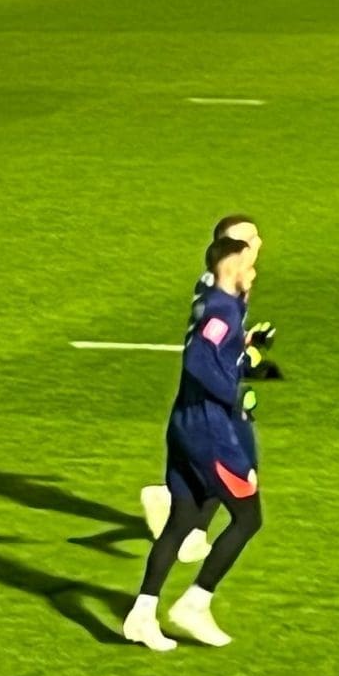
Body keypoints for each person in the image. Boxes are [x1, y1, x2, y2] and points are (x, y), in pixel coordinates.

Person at [123, 237, 264, 651]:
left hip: (186, 425)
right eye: (248, 265)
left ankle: (141, 615)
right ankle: (195, 603)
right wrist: (232, 395)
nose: (254, 272)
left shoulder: (215, 300)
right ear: (231, 267)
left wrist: (244, 351)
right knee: (247, 518)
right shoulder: (222, 311)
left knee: (182, 519)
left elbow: (215, 349)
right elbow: (199, 361)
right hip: (209, 432)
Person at [140, 214, 273, 562]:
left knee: (237, 462)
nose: (256, 244)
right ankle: (185, 523)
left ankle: (189, 525)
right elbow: (205, 348)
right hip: (210, 399)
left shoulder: (230, 282)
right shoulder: (220, 289)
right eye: (247, 240)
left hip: (214, 391)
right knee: (235, 464)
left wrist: (245, 341)